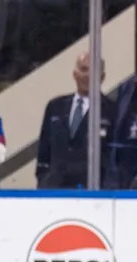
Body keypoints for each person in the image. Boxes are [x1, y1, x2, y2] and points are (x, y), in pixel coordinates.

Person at [36, 52, 116, 189]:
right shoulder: (55, 106)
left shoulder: (112, 111)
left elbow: (114, 157)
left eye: (93, 71)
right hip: (55, 190)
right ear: (74, 74)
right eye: (84, 69)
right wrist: (44, 179)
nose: (87, 75)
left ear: (102, 77)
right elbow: (44, 151)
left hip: (93, 193)